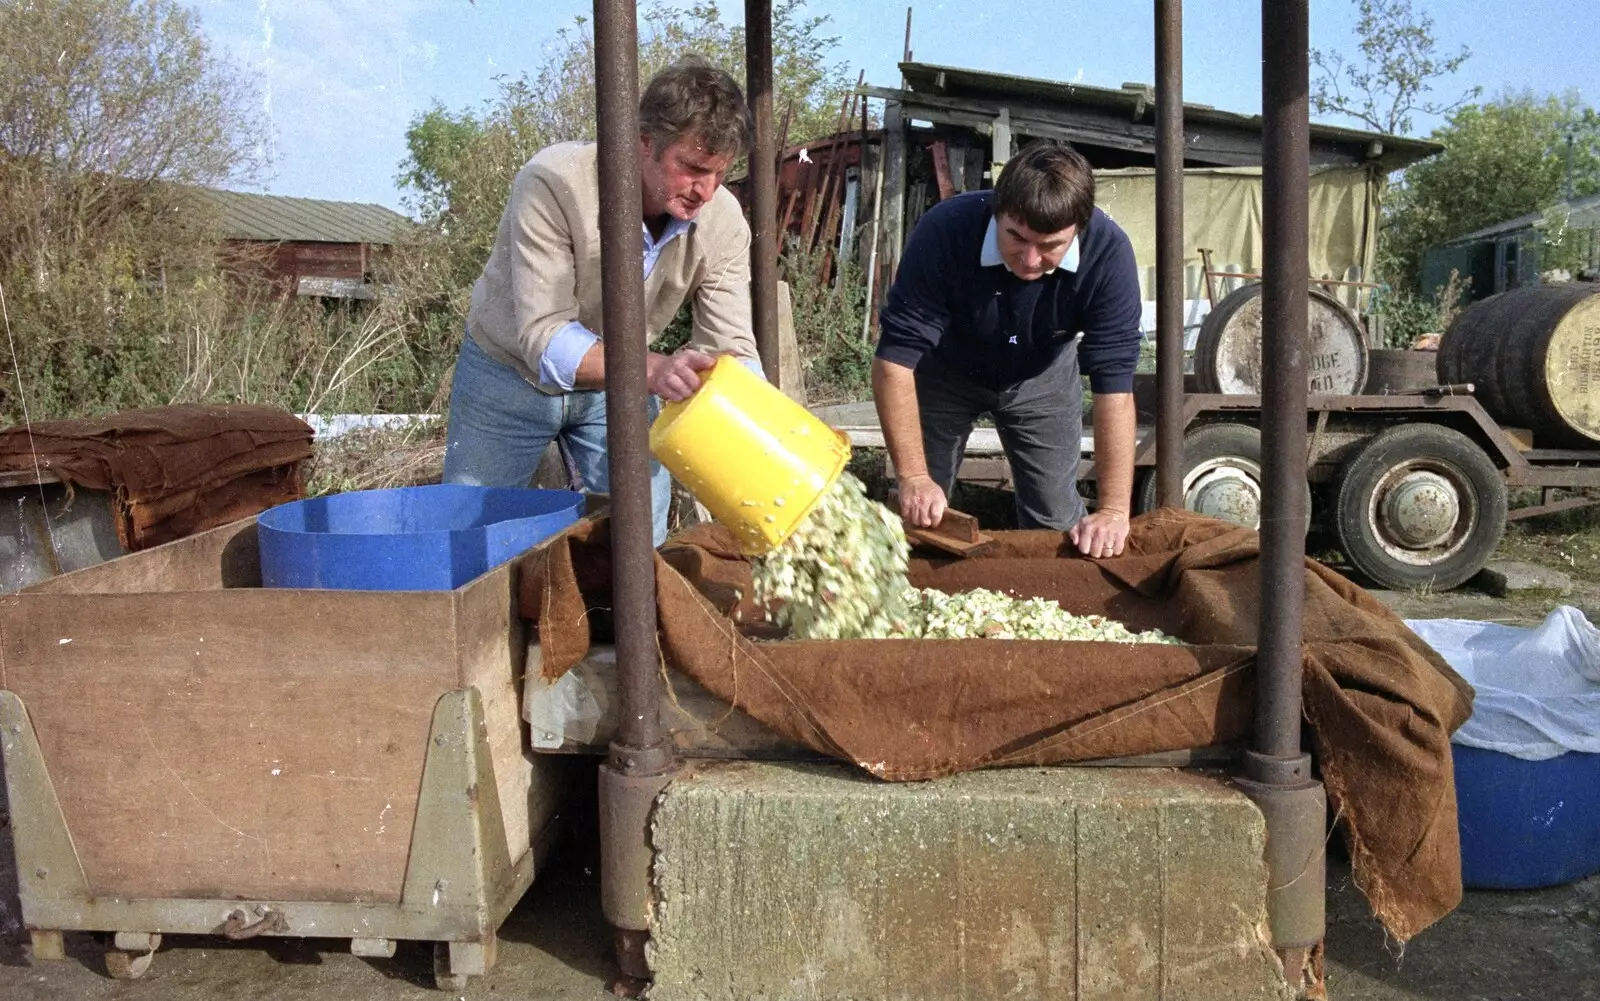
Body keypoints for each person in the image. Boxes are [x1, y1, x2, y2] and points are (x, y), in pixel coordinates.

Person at [441, 56, 763, 546]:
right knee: (470, 537)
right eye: (692, 169)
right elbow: (544, 337)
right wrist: (654, 370)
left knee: (640, 539)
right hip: (506, 373)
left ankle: (623, 624)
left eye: (720, 173)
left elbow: (733, 351)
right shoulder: (554, 182)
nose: (706, 190)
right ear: (643, 143)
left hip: (621, 384)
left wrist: (768, 444)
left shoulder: (723, 221)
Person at [872, 141, 1144, 558]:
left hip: (1042, 377)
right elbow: (894, 359)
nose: (1030, 259)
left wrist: (1113, 509)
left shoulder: (1108, 254)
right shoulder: (947, 229)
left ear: (1078, 228)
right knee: (920, 511)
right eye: (1015, 236)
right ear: (996, 209)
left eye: (1050, 244)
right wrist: (912, 477)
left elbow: (1115, 390)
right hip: (944, 369)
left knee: (1055, 518)